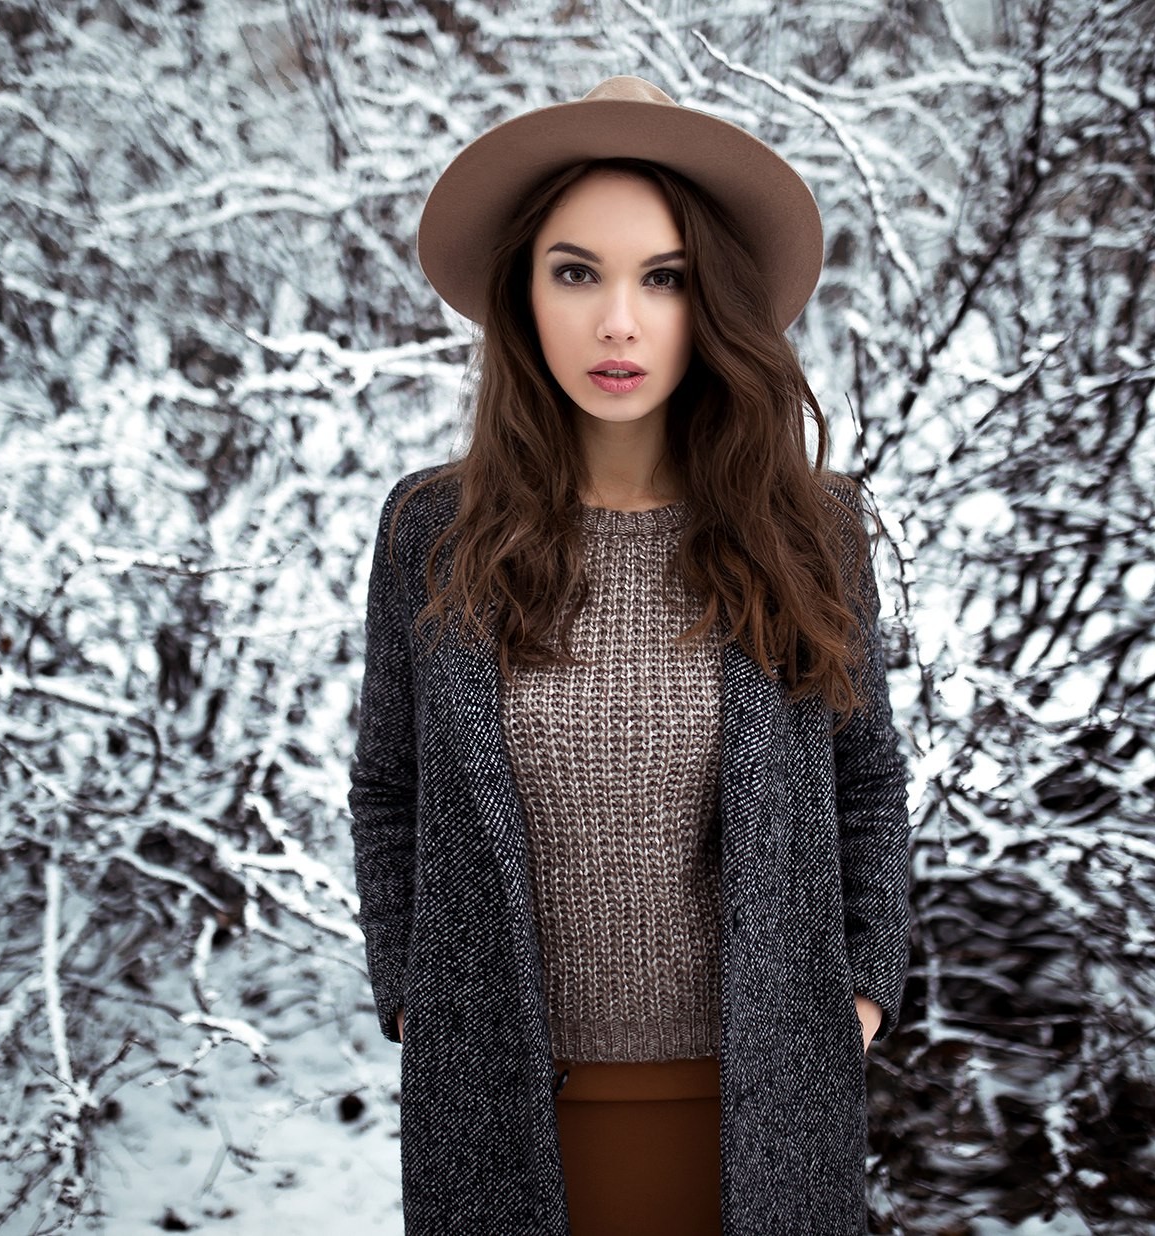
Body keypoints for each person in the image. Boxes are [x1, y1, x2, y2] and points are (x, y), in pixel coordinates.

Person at [347, 75, 912, 1236]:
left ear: (715, 303)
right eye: (577, 272)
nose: (619, 322)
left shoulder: (811, 529)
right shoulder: (430, 532)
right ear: (521, 294)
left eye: (665, 278)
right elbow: (389, 785)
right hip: (508, 1105)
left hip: (759, 1103)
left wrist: (861, 986)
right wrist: (416, 996)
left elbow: (867, 778)